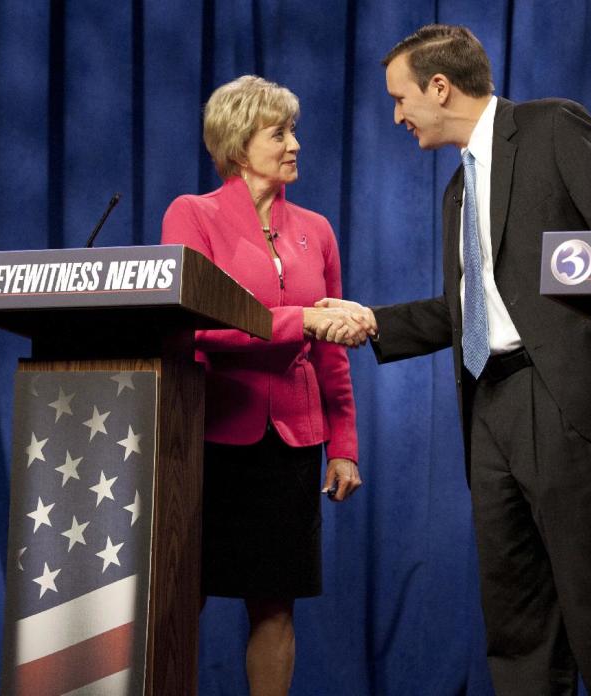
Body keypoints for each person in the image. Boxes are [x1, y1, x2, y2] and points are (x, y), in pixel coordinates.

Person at [318, 25, 591, 695]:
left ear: (440, 87)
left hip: (564, 401)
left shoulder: (552, 128)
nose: (395, 116)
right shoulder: (457, 190)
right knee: (517, 622)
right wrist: (371, 322)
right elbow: (469, 310)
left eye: (400, 98)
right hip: (490, 406)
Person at [161, 75, 368, 696]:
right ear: (237, 144)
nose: (295, 144)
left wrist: (345, 446)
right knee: (183, 596)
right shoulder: (191, 215)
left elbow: (330, 354)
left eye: (292, 131)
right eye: (278, 133)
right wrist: (298, 319)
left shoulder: (317, 230)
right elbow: (195, 330)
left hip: (292, 444)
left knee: (276, 606)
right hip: (212, 436)